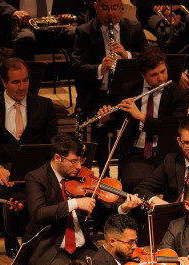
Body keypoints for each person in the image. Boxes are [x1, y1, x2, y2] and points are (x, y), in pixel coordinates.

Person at [23, 134, 142, 265]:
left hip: (81, 248)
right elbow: (38, 214)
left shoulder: (83, 178)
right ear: (57, 157)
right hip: (51, 250)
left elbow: (102, 217)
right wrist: (75, 203)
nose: (79, 167)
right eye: (73, 161)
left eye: (81, 161)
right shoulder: (36, 178)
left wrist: (122, 208)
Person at [0, 57, 58, 257]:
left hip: (36, 169)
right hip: (2, 170)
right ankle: (10, 237)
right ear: (4, 82)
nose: (23, 86)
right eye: (16, 82)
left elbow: (53, 143)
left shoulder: (44, 105)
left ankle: (39, 238)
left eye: (26, 80)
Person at [94, 46, 189, 194]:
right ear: (143, 75)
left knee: (178, 187)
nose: (161, 78)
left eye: (163, 71)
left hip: (167, 154)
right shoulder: (129, 90)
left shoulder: (179, 94)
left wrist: (141, 117)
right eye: (154, 74)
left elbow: (172, 128)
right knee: (133, 184)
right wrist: (106, 119)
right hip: (137, 152)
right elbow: (118, 122)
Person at [70, 0, 148, 171]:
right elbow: (76, 66)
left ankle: (124, 171)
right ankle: (103, 173)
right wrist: (100, 68)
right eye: (105, 8)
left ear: (122, 8)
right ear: (96, 7)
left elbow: (148, 57)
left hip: (126, 93)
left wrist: (127, 54)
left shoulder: (134, 27)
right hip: (97, 94)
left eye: (114, 8)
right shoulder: (84, 31)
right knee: (102, 119)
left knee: (131, 119)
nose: (110, 14)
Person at [0, 0, 78, 61]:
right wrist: (13, 12)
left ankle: (82, 84)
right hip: (21, 25)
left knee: (76, 34)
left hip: (52, 23)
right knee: (26, 38)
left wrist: (65, 12)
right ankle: (26, 84)